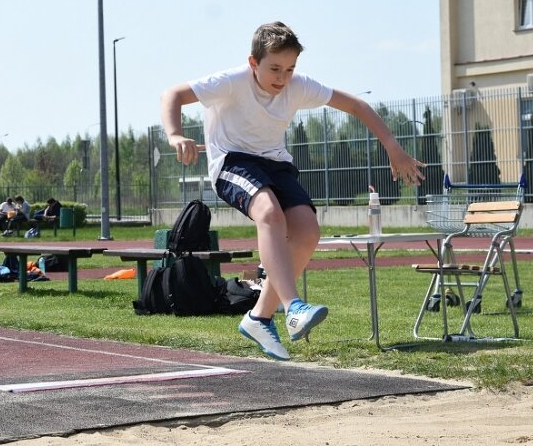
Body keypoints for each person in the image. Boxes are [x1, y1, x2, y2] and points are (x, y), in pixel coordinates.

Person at [160, 21, 425, 360]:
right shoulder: (231, 81)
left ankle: (259, 317)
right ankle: (293, 306)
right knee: (269, 213)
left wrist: (393, 147)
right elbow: (173, 95)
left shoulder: (297, 87)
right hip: (233, 162)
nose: (282, 78)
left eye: (290, 69)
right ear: (253, 63)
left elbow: (356, 105)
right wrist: (175, 134)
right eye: (274, 69)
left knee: (306, 231)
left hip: (276, 163)